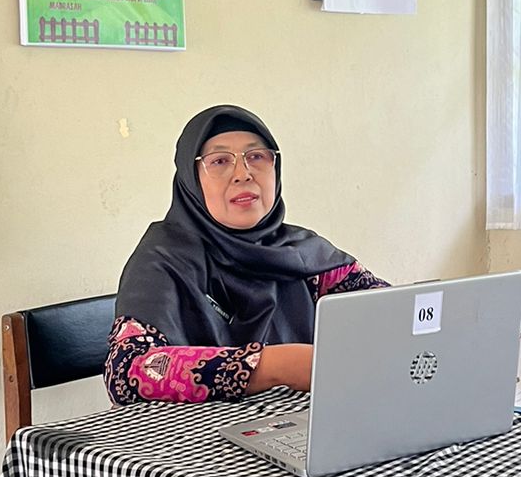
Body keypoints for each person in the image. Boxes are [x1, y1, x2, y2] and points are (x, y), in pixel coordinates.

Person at [105, 105, 387, 405]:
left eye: (256, 157)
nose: (243, 174)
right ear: (191, 179)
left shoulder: (302, 254)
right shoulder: (162, 258)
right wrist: (276, 366)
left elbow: (391, 315)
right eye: (220, 161)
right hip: (191, 441)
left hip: (294, 429)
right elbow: (127, 371)